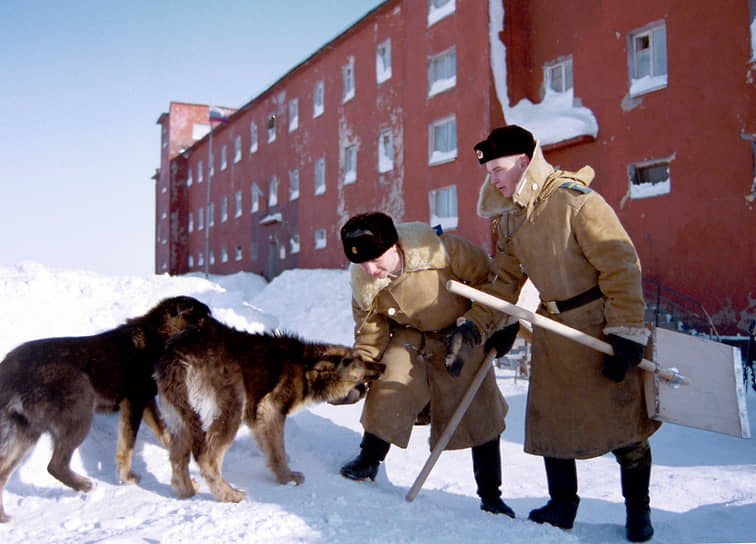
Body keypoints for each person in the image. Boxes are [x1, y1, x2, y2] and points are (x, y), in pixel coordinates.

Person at [466, 125, 661, 542]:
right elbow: (503, 282)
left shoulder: (578, 204)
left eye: (497, 169)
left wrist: (626, 332)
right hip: (552, 331)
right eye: (488, 173)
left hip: (598, 328)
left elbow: (621, 265)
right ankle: (562, 505)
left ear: (523, 162)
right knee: (550, 424)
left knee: (623, 428)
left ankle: (638, 512)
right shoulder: (513, 219)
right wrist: (480, 325)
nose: (493, 179)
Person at [338, 211, 520, 517]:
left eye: (376, 260)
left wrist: (501, 324)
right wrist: (358, 373)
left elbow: (492, 279)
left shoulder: (437, 249)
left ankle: (491, 494)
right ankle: (368, 459)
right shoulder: (363, 282)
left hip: (461, 328)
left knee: (481, 407)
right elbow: (371, 331)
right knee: (390, 381)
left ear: (394, 246)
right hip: (410, 335)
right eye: (362, 263)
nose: (370, 269)